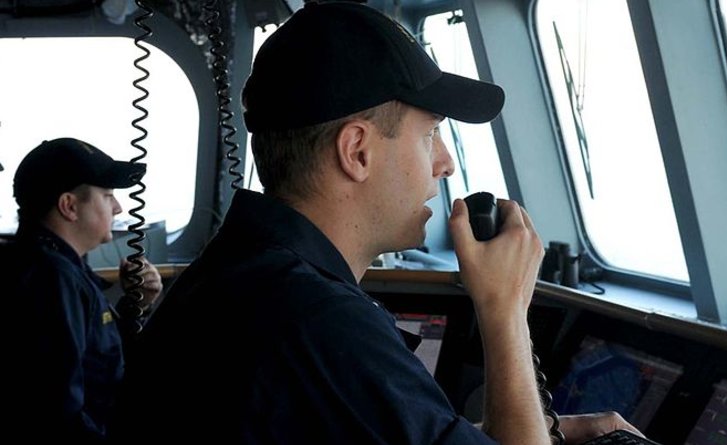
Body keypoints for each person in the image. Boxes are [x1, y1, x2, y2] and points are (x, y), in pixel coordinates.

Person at [113, 2, 640, 444]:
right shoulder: (316, 320)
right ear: (358, 151)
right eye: (430, 133)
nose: (445, 164)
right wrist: (504, 310)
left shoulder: (243, 280)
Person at [2, 137, 163, 444]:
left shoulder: (61, 265)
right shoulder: (52, 280)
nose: (117, 206)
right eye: (107, 195)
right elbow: (58, 413)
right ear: (69, 206)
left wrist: (138, 305)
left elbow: (98, 356)